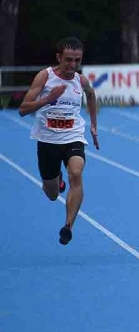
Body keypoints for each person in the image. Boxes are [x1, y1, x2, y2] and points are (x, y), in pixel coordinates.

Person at [18, 37, 100, 245]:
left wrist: (93, 124)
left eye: (77, 60)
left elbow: (91, 95)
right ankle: (58, 181)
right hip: (47, 141)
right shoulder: (44, 77)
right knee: (52, 194)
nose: (73, 65)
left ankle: (68, 226)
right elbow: (23, 109)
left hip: (73, 136)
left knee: (77, 172)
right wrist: (47, 100)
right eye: (69, 60)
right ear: (59, 57)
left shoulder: (80, 81)